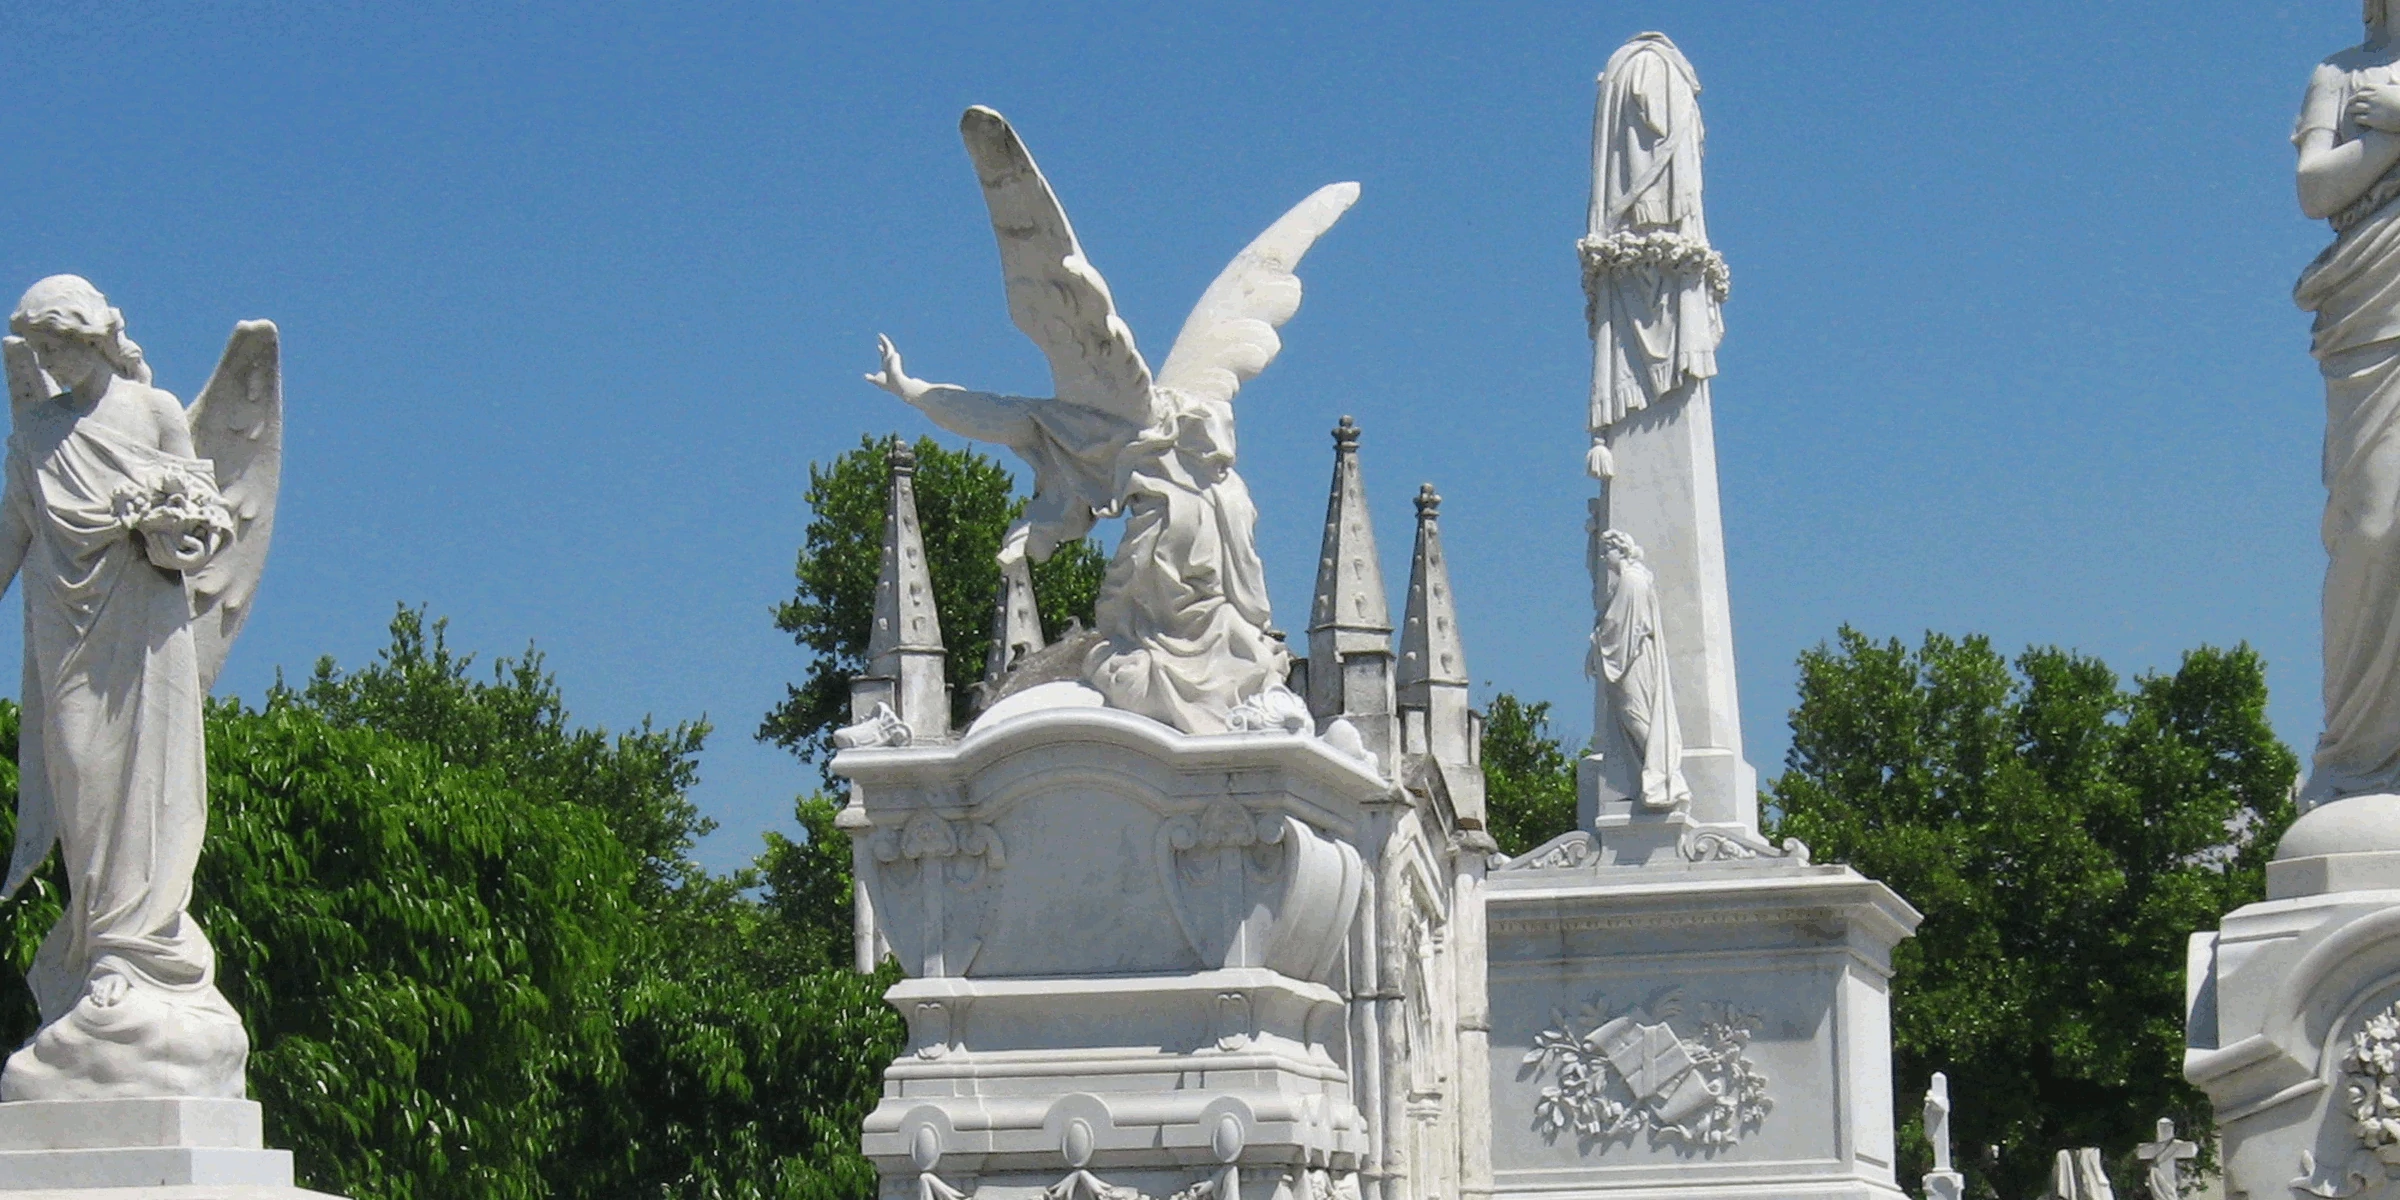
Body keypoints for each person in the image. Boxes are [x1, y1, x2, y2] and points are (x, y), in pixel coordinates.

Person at [0, 275, 247, 1099]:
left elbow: (212, 528)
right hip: (67, 642)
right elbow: (12, 530)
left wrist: (174, 526)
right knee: (85, 794)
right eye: (39, 350)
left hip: (147, 637)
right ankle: (104, 951)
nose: (50, 360)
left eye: (59, 344)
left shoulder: (156, 413)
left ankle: (124, 959)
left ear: (97, 335)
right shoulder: (36, 430)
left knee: (146, 794)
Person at [2295, 0, 2400, 804]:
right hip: (2372, 309)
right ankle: (2357, 758)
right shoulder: (2341, 69)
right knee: (2370, 531)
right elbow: (2314, 189)